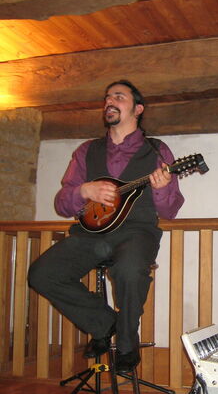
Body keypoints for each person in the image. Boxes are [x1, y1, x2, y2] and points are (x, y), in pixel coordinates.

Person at [28, 79, 184, 371]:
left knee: (129, 269)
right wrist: (83, 191)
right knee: (42, 274)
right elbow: (62, 204)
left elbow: (170, 209)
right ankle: (104, 323)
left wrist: (162, 188)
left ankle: (127, 342)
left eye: (119, 97)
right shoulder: (87, 151)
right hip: (89, 233)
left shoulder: (157, 150)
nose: (109, 101)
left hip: (137, 231)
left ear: (138, 109)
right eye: (107, 97)